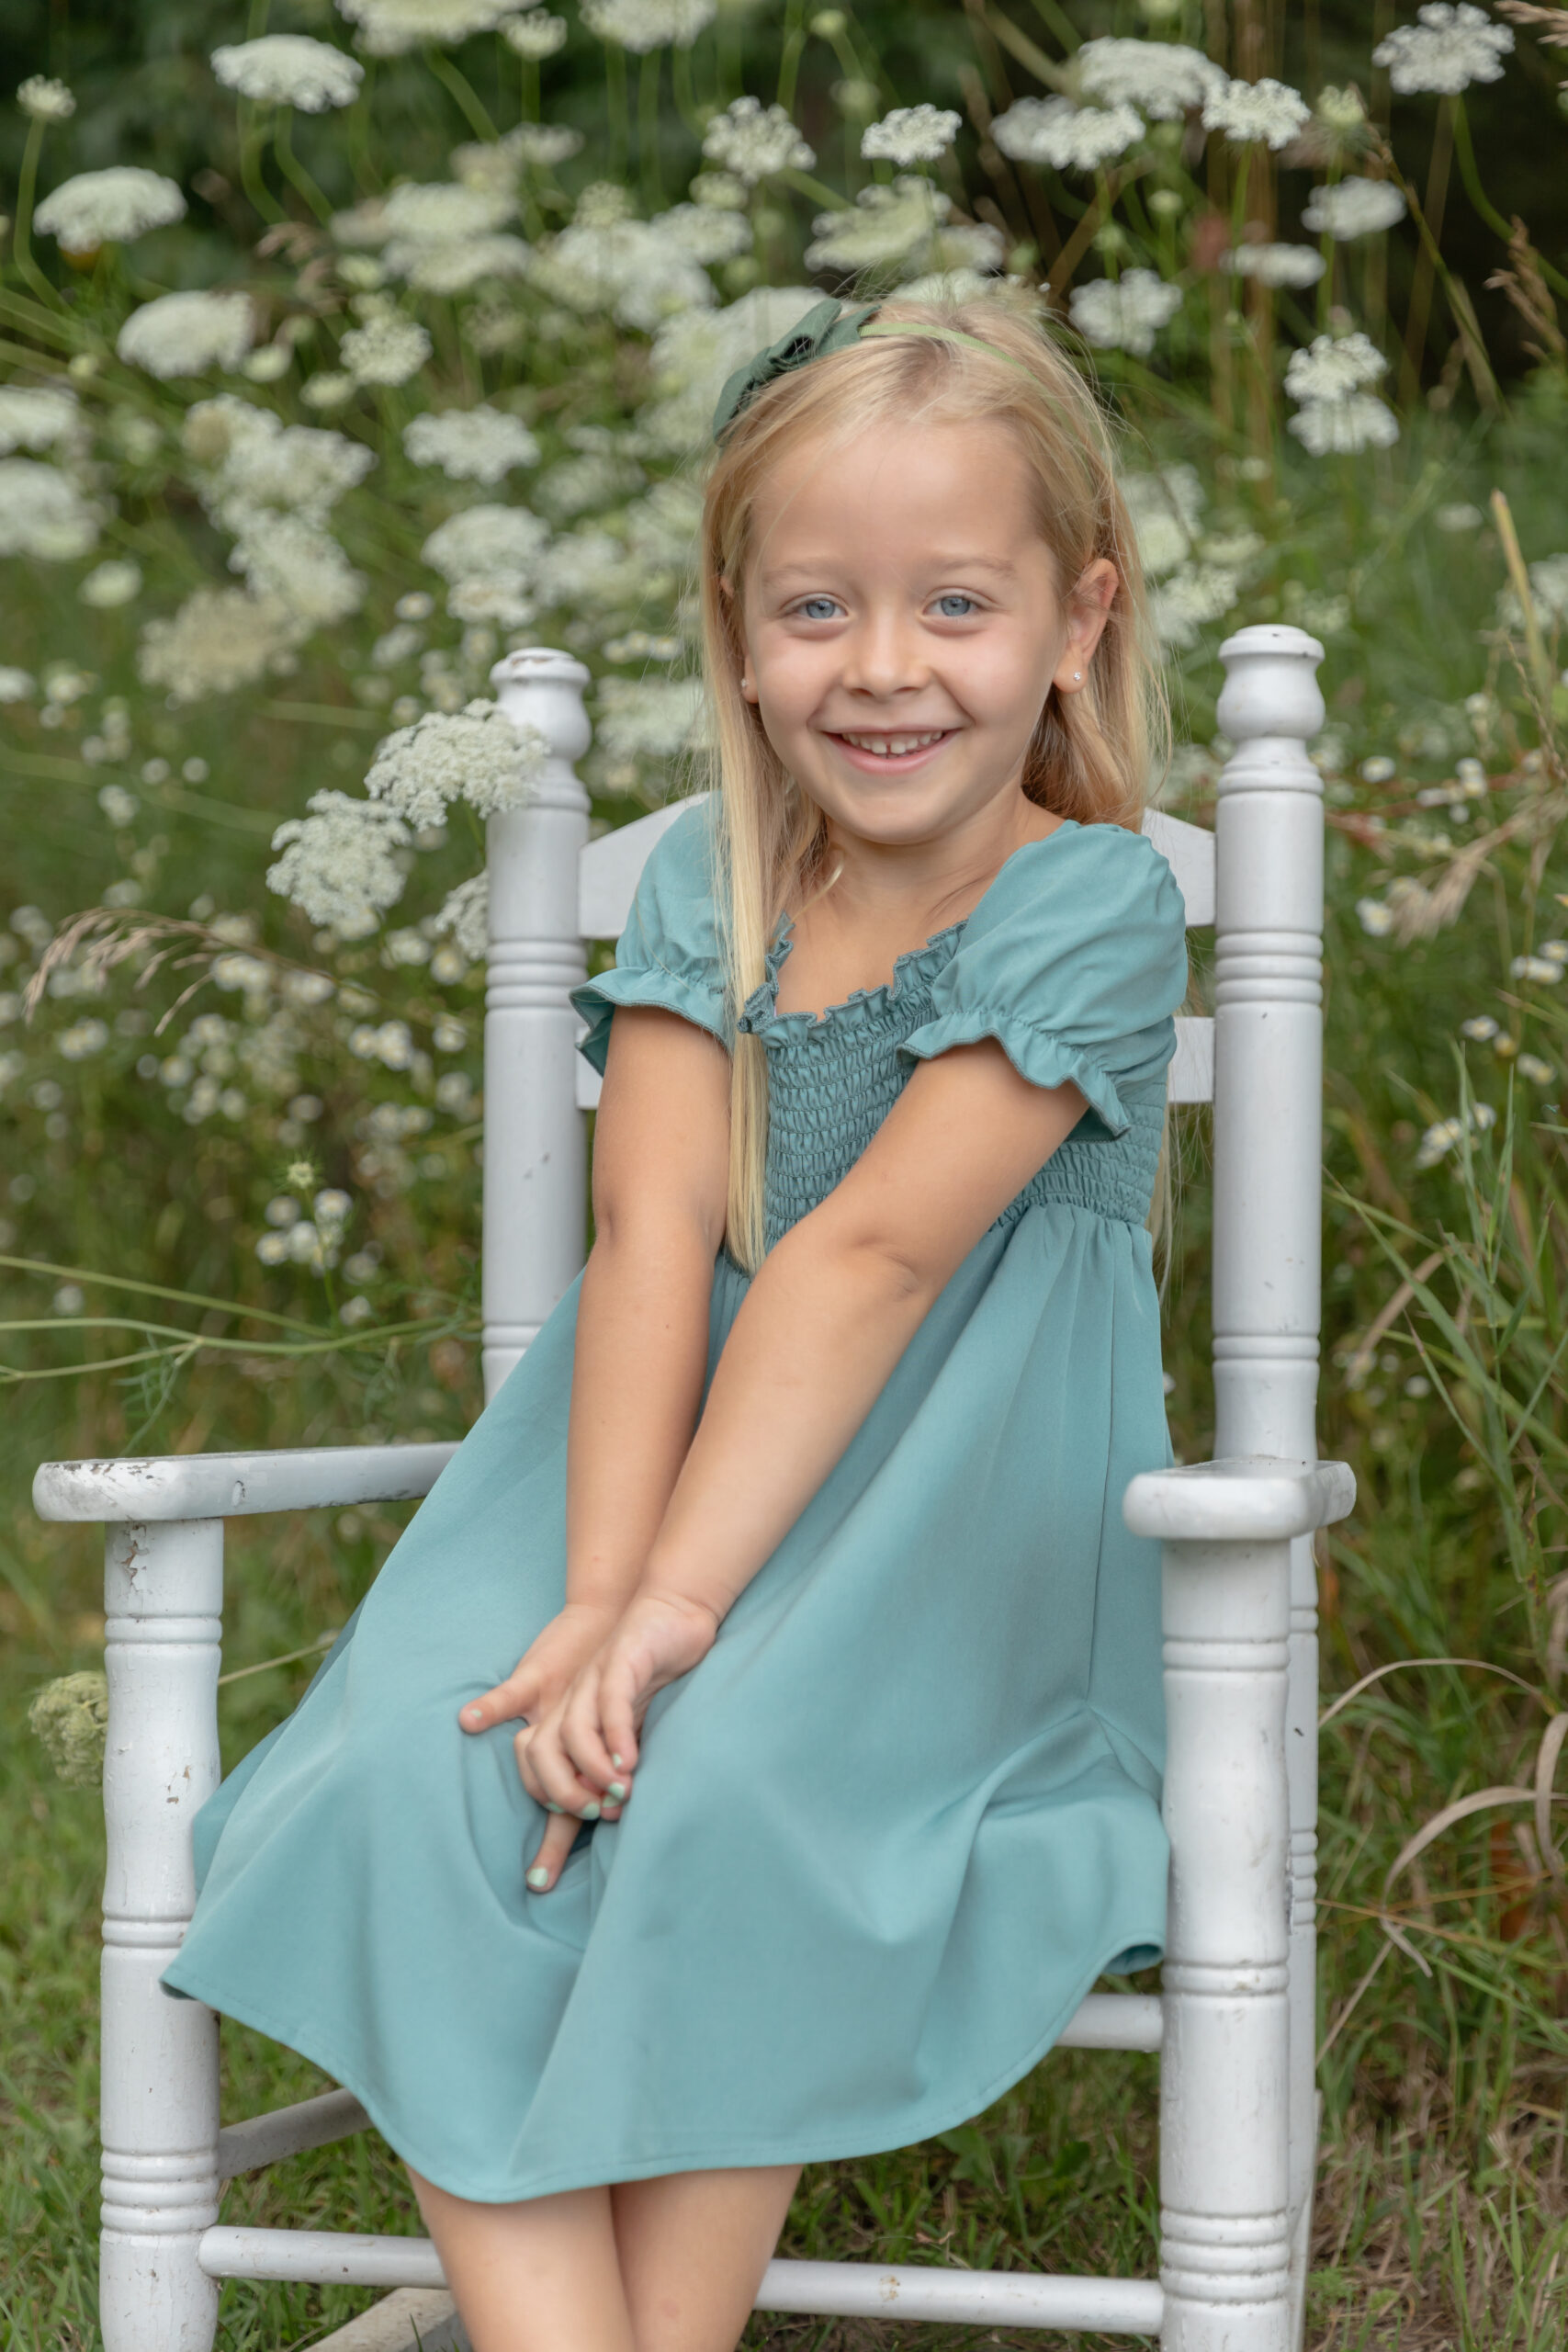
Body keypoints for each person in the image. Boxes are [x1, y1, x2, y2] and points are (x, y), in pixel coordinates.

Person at [162, 295, 1190, 2352]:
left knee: (719, 1785)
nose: (881, 666)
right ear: (733, 630)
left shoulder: (1093, 900)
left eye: (953, 604)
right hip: (630, 1491)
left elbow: (864, 1261)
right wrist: (596, 1591)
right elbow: (646, 1245)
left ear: (1076, 619)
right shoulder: (706, 897)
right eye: (815, 605)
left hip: (942, 1552)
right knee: (409, 1759)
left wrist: (669, 1618)